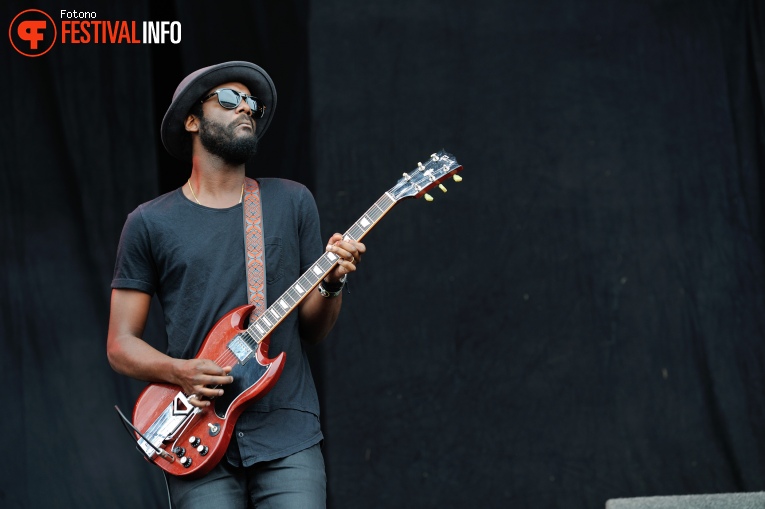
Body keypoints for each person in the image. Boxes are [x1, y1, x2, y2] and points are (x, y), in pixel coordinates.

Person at [106, 61, 365, 508]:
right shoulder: (149, 223)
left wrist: (332, 284)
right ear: (192, 119)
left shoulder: (292, 202)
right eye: (229, 99)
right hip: (195, 429)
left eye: (252, 104)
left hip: (286, 430)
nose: (246, 108)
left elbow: (312, 331)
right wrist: (179, 371)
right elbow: (120, 344)